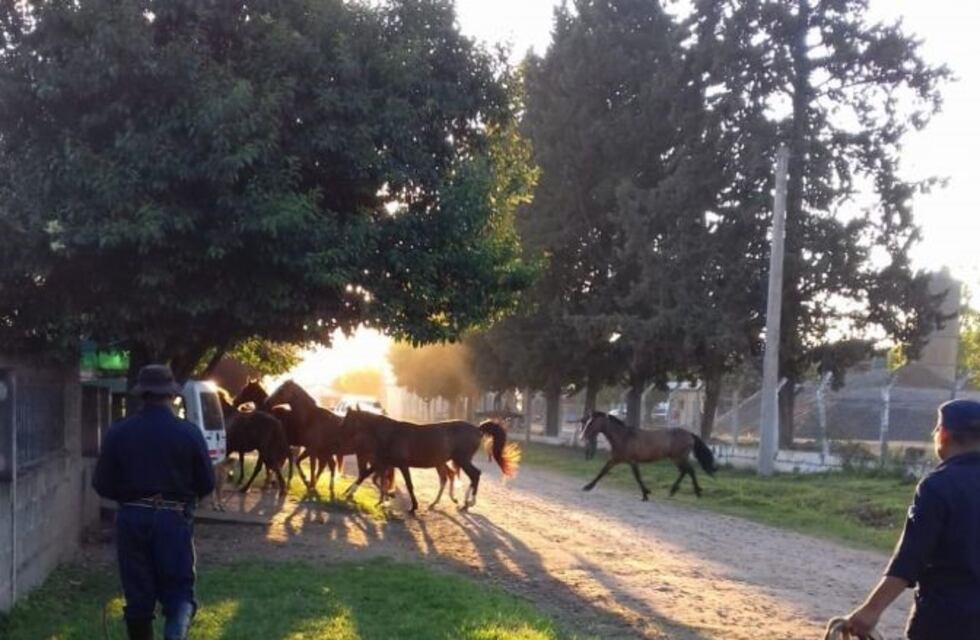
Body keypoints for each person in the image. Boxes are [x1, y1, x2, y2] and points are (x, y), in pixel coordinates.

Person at [93, 364, 215, 640]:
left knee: (138, 596)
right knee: (180, 593)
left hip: (132, 518)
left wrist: (131, 498)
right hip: (174, 518)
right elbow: (207, 483)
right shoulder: (189, 433)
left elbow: (101, 483)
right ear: (171, 395)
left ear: (142, 394)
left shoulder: (119, 432)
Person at [846, 399, 980, 639]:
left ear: (944, 434)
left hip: (946, 622)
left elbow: (911, 557)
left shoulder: (938, 486)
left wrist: (871, 611)